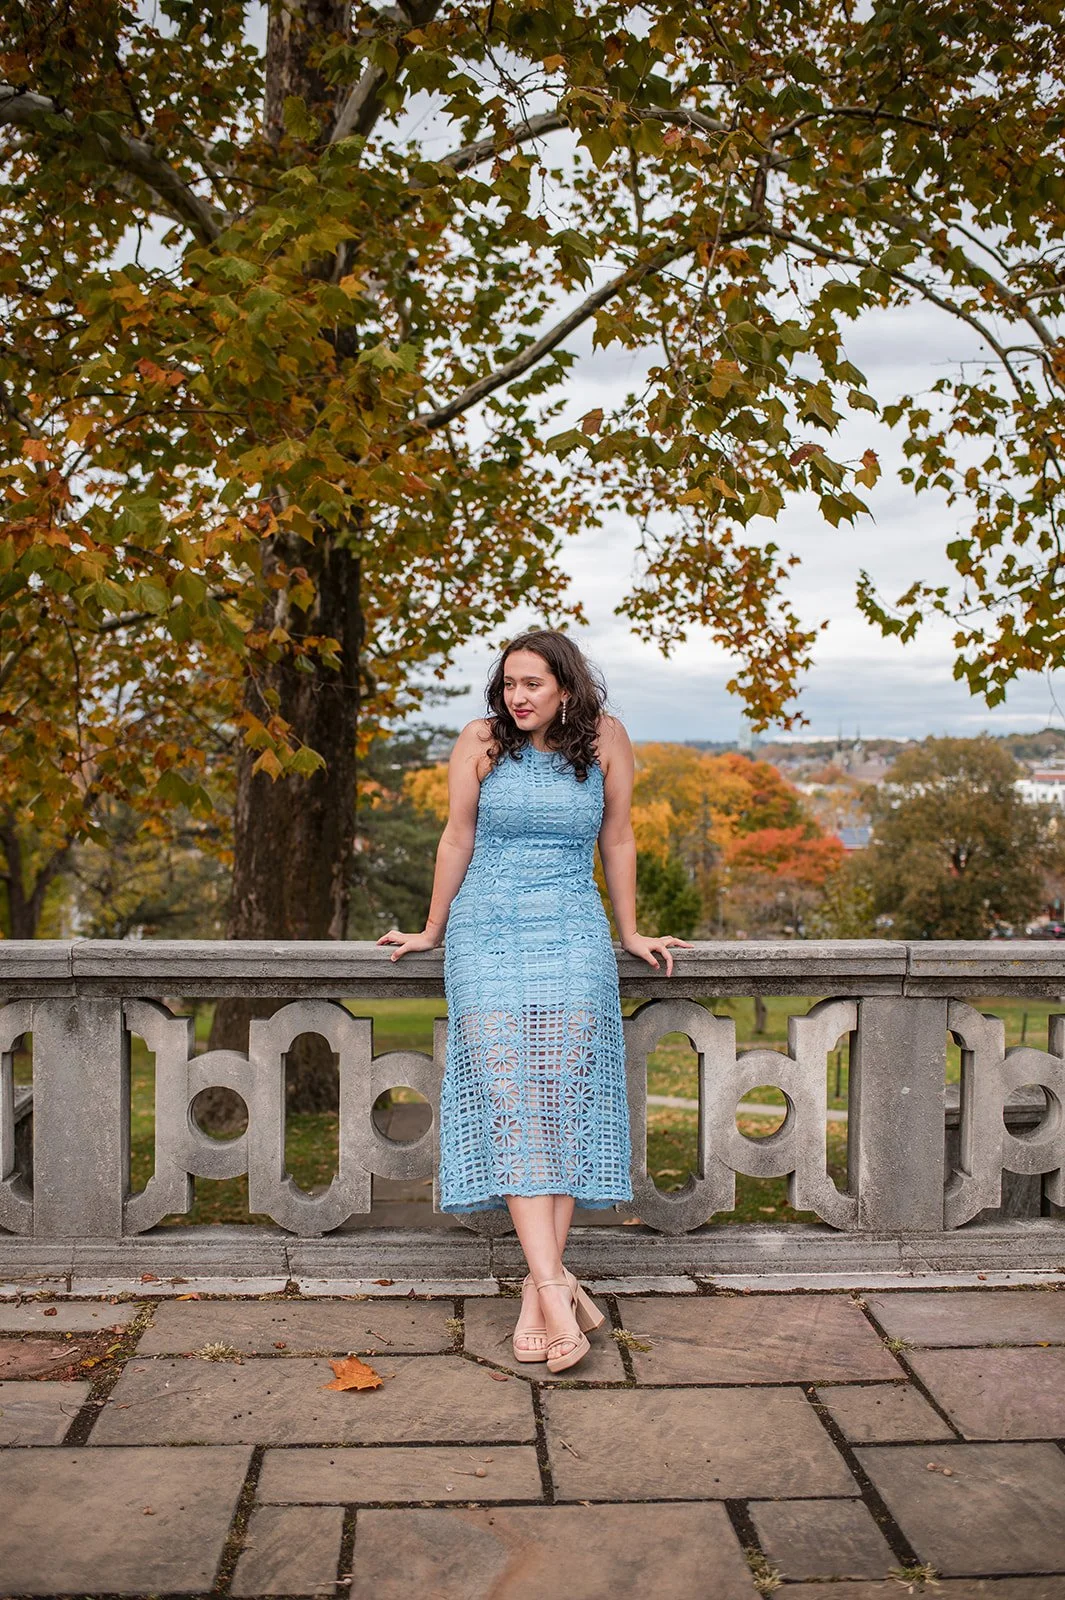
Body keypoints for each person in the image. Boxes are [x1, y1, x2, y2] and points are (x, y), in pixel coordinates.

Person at [378, 629, 689, 1373]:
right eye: (510, 683)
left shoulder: (606, 739)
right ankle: (555, 1283)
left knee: (560, 1097)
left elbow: (617, 838)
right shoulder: (480, 741)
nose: (518, 697)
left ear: (566, 688)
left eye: (533, 684)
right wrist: (431, 928)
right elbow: (456, 837)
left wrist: (631, 928)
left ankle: (537, 1295)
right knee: (512, 1096)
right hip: (486, 932)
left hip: (573, 932)